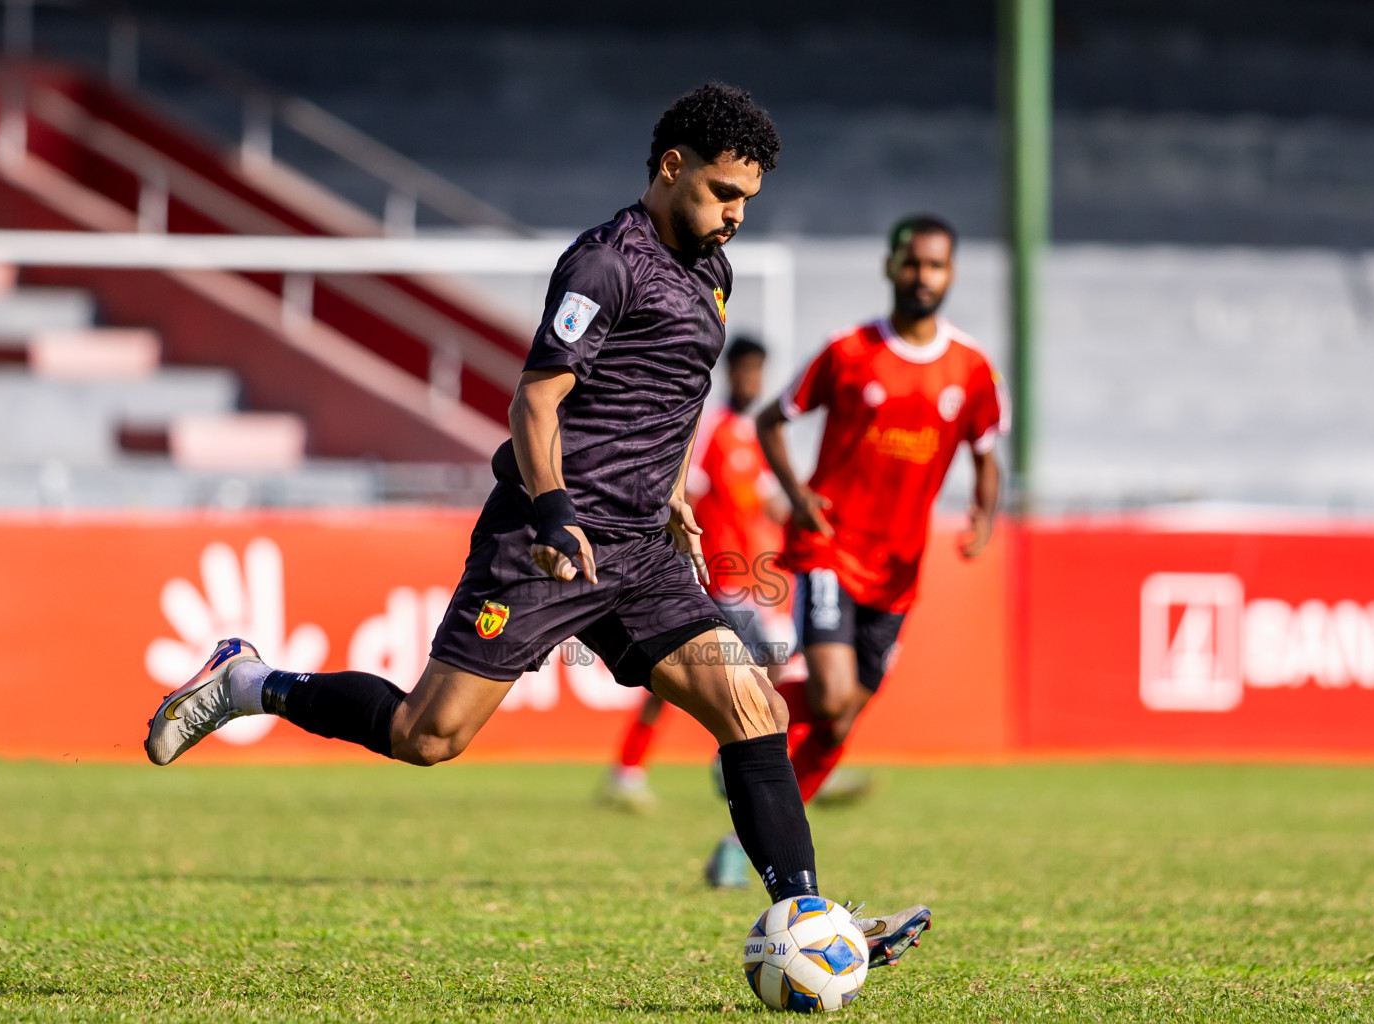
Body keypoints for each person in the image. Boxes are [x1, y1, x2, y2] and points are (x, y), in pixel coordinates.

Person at [145, 83, 931, 969]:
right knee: (427, 736)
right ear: (671, 169)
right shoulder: (604, 263)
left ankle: (809, 916)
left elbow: (676, 392)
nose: (736, 215)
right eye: (722, 193)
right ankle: (251, 682)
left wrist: (672, 491)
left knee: (749, 703)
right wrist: (555, 513)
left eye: (748, 199)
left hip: (637, 549)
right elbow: (537, 401)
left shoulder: (713, 271)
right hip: (545, 542)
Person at [751, 213, 1008, 832]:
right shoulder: (848, 351)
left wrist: (984, 511)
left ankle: (755, 828)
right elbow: (770, 421)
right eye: (913, 262)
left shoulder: (971, 369)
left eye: (936, 265)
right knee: (833, 697)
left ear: (951, 273)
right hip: (831, 548)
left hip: (899, 569)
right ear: (890, 267)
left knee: (840, 720)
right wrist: (798, 495)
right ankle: (741, 727)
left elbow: (986, 454)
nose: (924, 275)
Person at [601, 336, 791, 814]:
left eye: (758, 373)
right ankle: (747, 764)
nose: (752, 381)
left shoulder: (753, 434)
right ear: (731, 373)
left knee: (692, 677)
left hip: (750, 579)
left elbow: (769, 501)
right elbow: (683, 492)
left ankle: (635, 767)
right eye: (745, 372)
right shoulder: (713, 430)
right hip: (715, 574)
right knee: (752, 668)